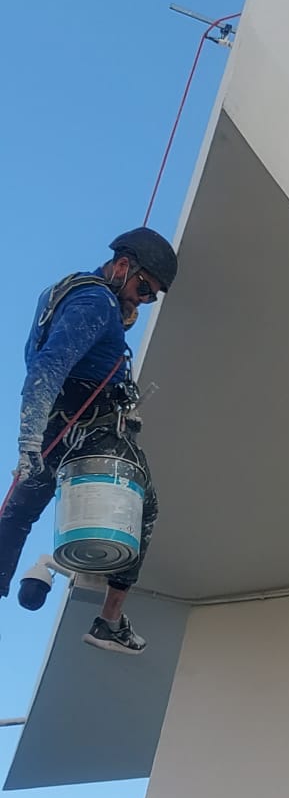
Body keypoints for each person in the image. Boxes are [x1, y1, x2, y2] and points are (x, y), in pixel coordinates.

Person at [0, 227, 178, 654]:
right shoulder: (95, 301)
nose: (142, 299)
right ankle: (109, 621)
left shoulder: (67, 291)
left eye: (151, 296)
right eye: (142, 288)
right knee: (144, 507)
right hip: (90, 428)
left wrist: (34, 442)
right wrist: (27, 438)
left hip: (56, 431)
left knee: (18, 513)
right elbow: (48, 366)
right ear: (121, 266)